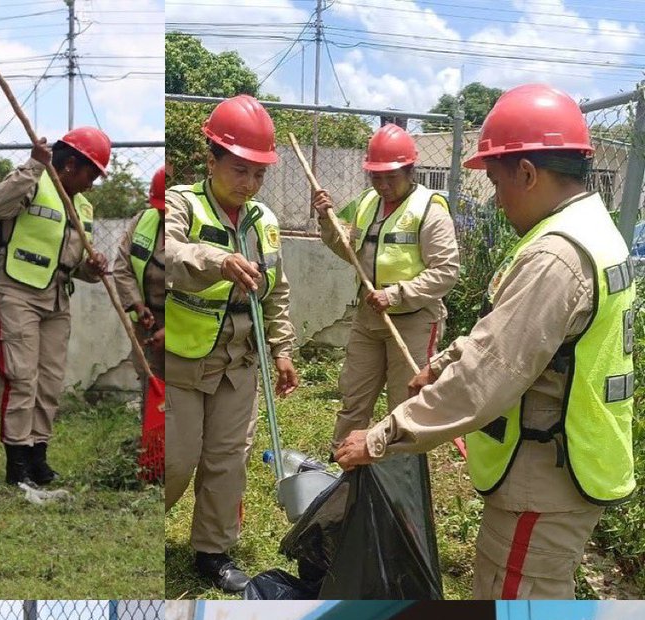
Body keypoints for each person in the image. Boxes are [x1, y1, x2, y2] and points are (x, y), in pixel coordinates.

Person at [334, 84, 636, 599]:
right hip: (569, 462)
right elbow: (504, 335)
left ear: (527, 173)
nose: (496, 200)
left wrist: (381, 436)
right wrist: (444, 362)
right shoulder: (592, 230)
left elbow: (485, 378)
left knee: (512, 616)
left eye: (497, 182)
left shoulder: (554, 257)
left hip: (544, 478)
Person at [165, 95, 299, 594]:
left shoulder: (263, 220)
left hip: (239, 362)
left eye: (259, 174)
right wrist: (216, 260)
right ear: (212, 160)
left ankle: (213, 552)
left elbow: (277, 289)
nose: (249, 184)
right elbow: (167, 251)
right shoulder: (180, 202)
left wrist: (283, 349)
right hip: (183, 359)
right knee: (176, 460)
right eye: (240, 170)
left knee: (228, 458)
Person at [312, 125, 459, 451]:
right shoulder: (366, 203)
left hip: (413, 321)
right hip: (369, 320)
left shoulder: (430, 210)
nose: (383, 185)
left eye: (391, 177)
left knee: (405, 406)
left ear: (409, 170)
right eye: (376, 177)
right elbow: (347, 248)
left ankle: (400, 481)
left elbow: (446, 271)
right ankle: (343, 472)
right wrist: (326, 219)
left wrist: (395, 295)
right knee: (354, 398)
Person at [0, 128, 110, 486]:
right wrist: (32, 166)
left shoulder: (82, 205)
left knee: (49, 381)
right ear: (71, 165)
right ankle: (18, 461)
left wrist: (92, 268)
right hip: (14, 291)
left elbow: (72, 264)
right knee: (20, 376)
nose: (92, 184)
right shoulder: (33, 181)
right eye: (92, 174)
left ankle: (38, 454)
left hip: (56, 298)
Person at [113, 165, 166, 381]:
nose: (163, 213)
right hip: (147, 321)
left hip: (182, 324)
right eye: (160, 208)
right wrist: (137, 305)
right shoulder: (142, 221)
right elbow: (122, 267)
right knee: (149, 378)